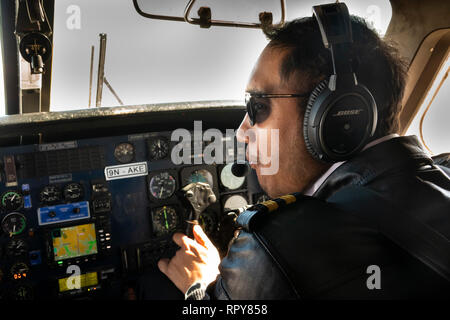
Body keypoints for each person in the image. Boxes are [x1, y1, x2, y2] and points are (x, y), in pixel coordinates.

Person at [151, 13, 450, 300]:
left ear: (334, 116)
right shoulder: (442, 176)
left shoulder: (278, 249)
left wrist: (200, 285)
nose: (242, 132)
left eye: (258, 106)